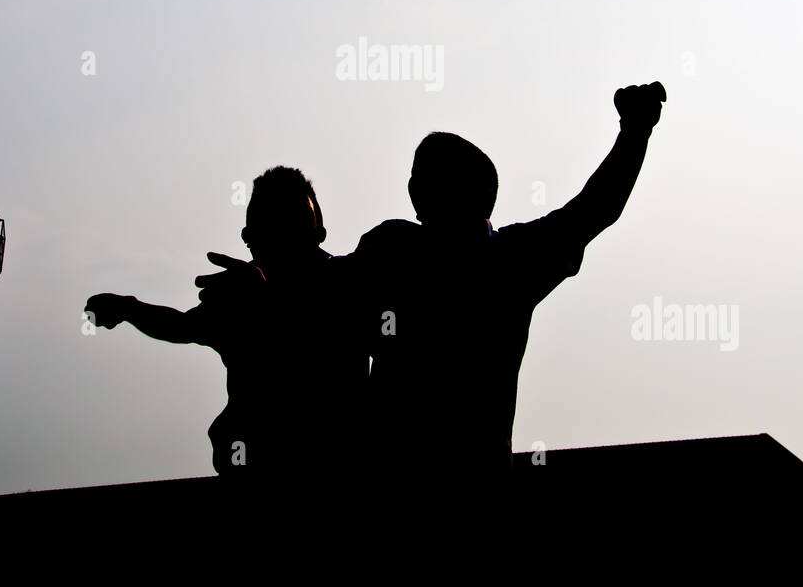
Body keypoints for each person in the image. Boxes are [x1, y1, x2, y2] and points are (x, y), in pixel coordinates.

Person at [353, 81, 666, 479]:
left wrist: (635, 132)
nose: (416, 188)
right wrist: (635, 131)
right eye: (419, 178)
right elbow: (593, 210)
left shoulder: (502, 258)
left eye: (431, 177)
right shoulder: (399, 250)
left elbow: (594, 209)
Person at [84, 166, 367, 478]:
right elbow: (180, 326)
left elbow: (320, 373)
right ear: (250, 240)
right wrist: (129, 309)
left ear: (317, 232)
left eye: (286, 226)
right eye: (263, 229)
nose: (271, 242)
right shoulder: (238, 300)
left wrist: (265, 303)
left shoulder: (349, 286)